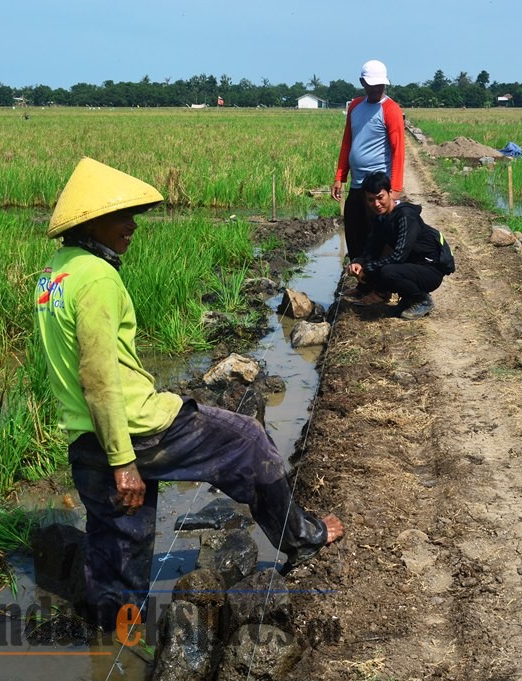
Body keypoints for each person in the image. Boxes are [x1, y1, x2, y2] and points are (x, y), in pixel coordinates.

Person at [35, 157, 343, 630]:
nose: (132, 227)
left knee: (122, 541)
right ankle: (301, 535)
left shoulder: (53, 275)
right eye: (123, 216)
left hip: (85, 436)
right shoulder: (98, 279)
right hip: (135, 431)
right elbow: (97, 377)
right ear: (94, 221)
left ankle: (113, 635)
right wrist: (123, 462)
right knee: (247, 441)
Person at [347, 171, 452, 320]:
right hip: (413, 266)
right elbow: (372, 247)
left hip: (430, 270)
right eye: (370, 200)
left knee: (387, 271)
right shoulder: (380, 218)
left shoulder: (406, 216)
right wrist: (359, 262)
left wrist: (369, 269)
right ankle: (409, 299)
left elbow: (399, 256)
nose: (376, 204)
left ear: (390, 193)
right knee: (377, 265)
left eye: (380, 197)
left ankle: (421, 299)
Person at [331, 59, 406, 269]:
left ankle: (380, 289)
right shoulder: (355, 106)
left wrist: (396, 189)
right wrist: (340, 176)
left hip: (378, 187)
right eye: (372, 84)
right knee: (355, 234)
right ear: (362, 82)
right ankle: (361, 282)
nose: (377, 89)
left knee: (379, 238)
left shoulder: (390, 109)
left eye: (380, 84)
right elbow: (348, 142)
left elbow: (398, 150)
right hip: (357, 185)